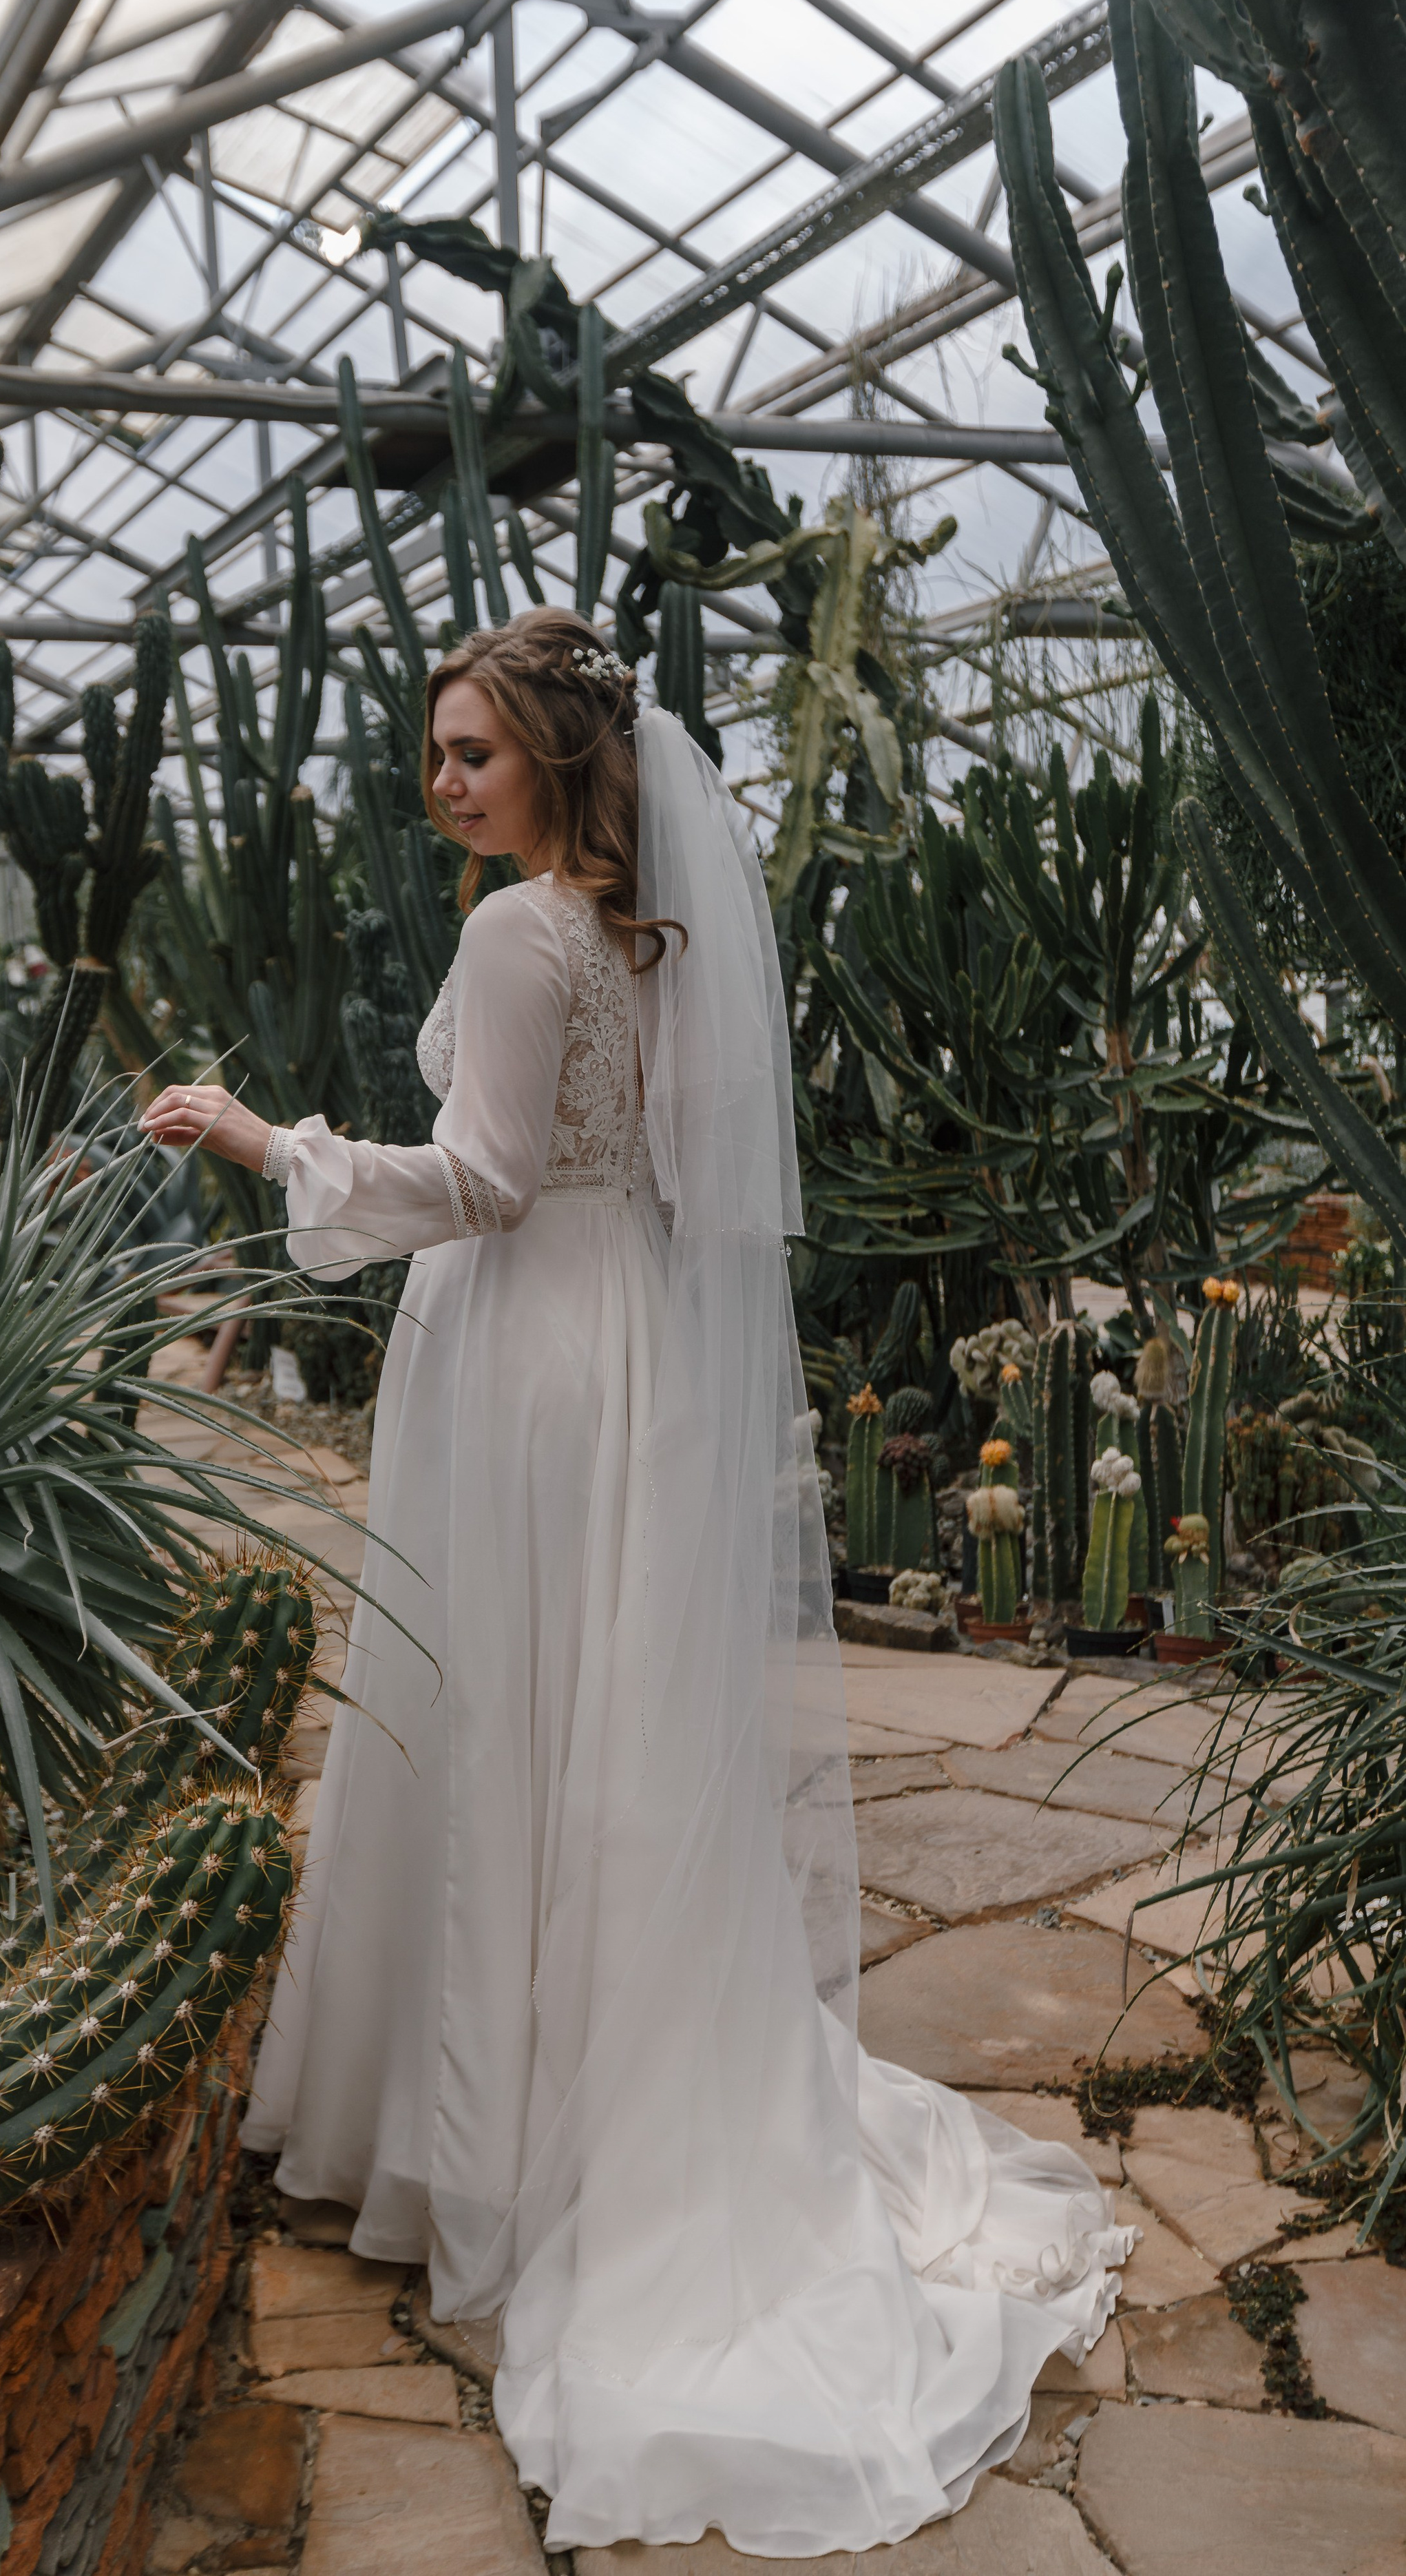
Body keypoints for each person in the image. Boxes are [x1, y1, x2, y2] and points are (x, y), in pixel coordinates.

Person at [140, 608, 1130, 2559]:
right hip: (629, 1364)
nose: (444, 780)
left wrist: (271, 1142)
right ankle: (571, 2110)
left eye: (474, 752)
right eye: (433, 750)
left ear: (557, 763)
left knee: (503, 1712)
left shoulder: (520, 933)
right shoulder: (639, 934)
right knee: (597, 1735)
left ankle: (483, 2150)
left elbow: (486, 1179)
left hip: (526, 1356)